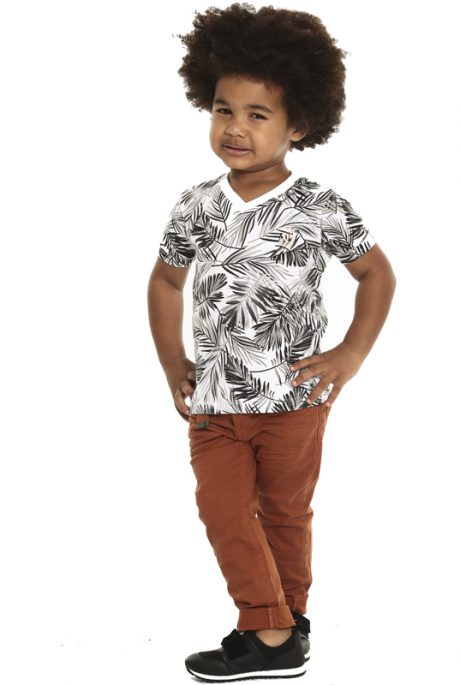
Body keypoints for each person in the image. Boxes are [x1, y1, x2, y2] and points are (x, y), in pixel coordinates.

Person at [147, 3, 396, 681]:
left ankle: (285, 627)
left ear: (299, 125)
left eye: (258, 115)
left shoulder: (320, 205)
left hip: (295, 399)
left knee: (286, 512)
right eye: (223, 110)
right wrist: (173, 362)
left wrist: (350, 354)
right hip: (215, 400)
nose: (235, 127)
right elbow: (165, 282)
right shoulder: (197, 205)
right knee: (223, 510)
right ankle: (271, 626)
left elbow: (376, 274)